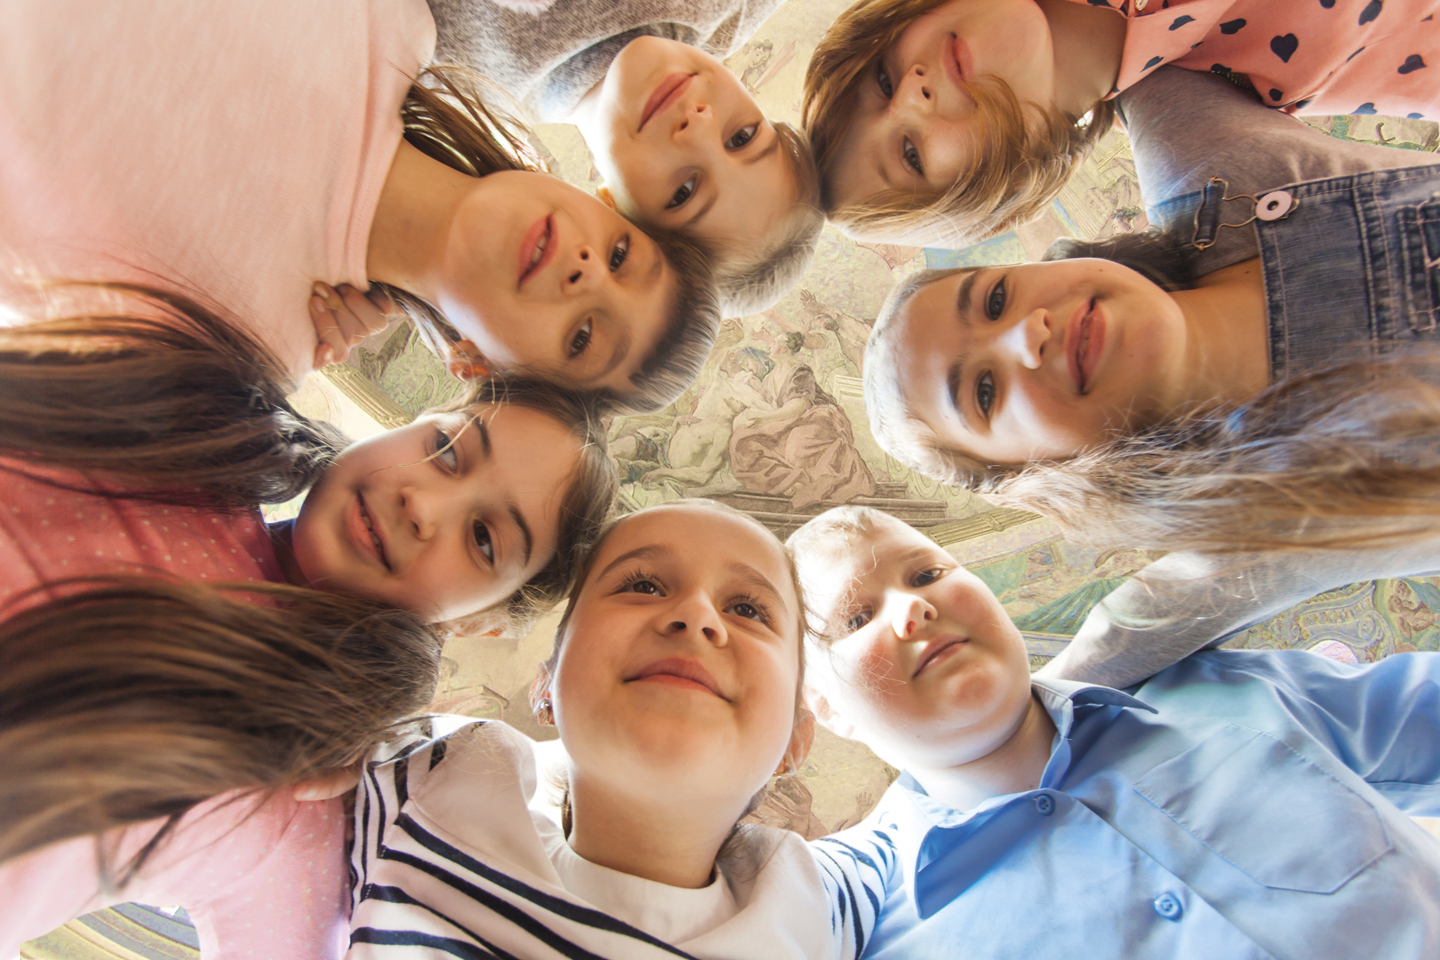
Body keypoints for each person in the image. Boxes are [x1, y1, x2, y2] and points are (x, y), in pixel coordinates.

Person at [0, 288, 617, 959]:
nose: (423, 506)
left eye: (484, 539)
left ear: (485, 622)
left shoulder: (297, 797)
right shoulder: (165, 435)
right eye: (445, 449)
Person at [787, 505, 1440, 959]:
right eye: (856, 617)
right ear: (826, 708)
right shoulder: (849, 912)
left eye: (928, 573)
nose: (913, 605)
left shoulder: (1229, 694)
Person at [1, 0, 719, 411]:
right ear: (595, 194)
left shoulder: (243, 360)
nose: (588, 276)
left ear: (477, 366)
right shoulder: (396, 25)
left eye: (583, 337)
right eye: (624, 256)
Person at [860, 64, 1440, 554]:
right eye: (984, 392)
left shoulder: (1209, 170)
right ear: (1035, 471)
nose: (1027, 335)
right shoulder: (1278, 526)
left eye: (996, 299)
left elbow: (1115, 36)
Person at [347, 499, 883, 958]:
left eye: (747, 608)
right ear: (547, 686)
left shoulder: (818, 906)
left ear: (796, 738)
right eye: (644, 585)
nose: (696, 615)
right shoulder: (437, 780)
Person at [802, 0, 1440, 246]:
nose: (910, 95)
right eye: (910, 152)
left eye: (882, 79)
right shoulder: (1278, 73)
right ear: (997, 184)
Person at [428, 0, 825, 314]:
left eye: (684, 191)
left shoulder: (452, 85)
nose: (700, 128)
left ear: (612, 210)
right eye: (742, 137)